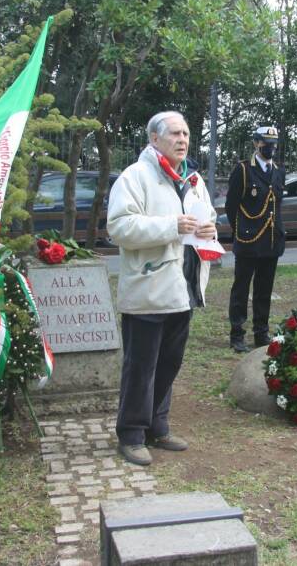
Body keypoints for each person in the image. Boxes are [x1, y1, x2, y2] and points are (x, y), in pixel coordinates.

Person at [107, 111, 216, 466]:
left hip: (182, 288)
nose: (183, 139)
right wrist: (171, 225)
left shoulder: (193, 180)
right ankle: (132, 434)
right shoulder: (135, 177)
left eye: (186, 133)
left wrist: (207, 230)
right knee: (141, 366)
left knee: (169, 362)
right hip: (148, 288)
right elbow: (120, 227)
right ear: (155, 139)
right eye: (174, 134)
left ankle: (158, 426)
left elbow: (207, 218)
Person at [225, 126, 286, 353]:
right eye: (265, 143)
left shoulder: (279, 172)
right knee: (241, 289)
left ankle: (261, 333)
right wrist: (242, 231)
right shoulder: (243, 170)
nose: (270, 147)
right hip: (249, 241)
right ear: (255, 143)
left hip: (271, 241)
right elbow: (232, 207)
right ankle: (237, 334)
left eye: (274, 143)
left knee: (264, 290)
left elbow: (277, 206)